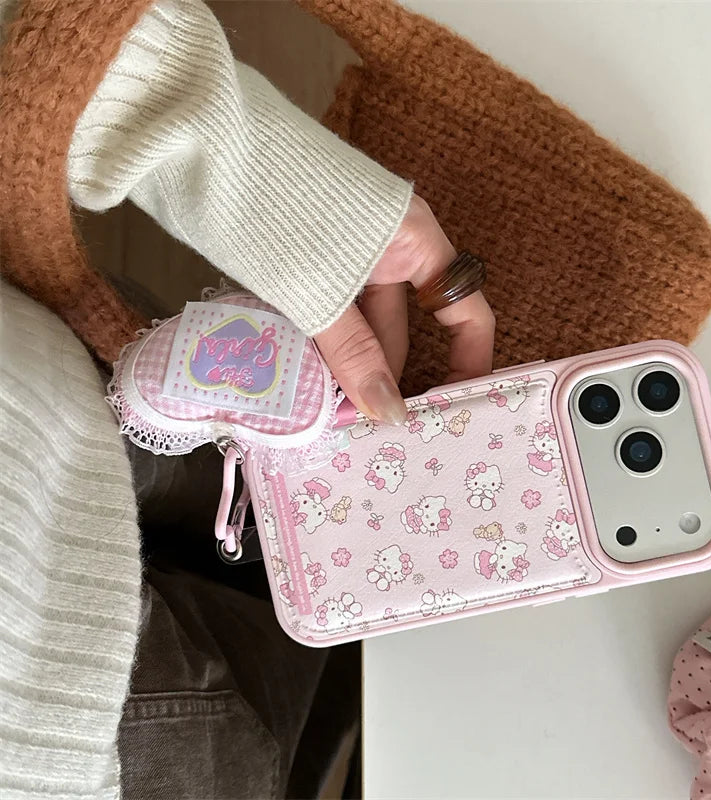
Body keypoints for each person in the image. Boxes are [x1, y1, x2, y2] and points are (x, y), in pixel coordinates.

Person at [0, 0, 493, 797]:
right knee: (329, 646)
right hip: (84, 745)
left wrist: (262, 179)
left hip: (54, 388)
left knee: (337, 634)